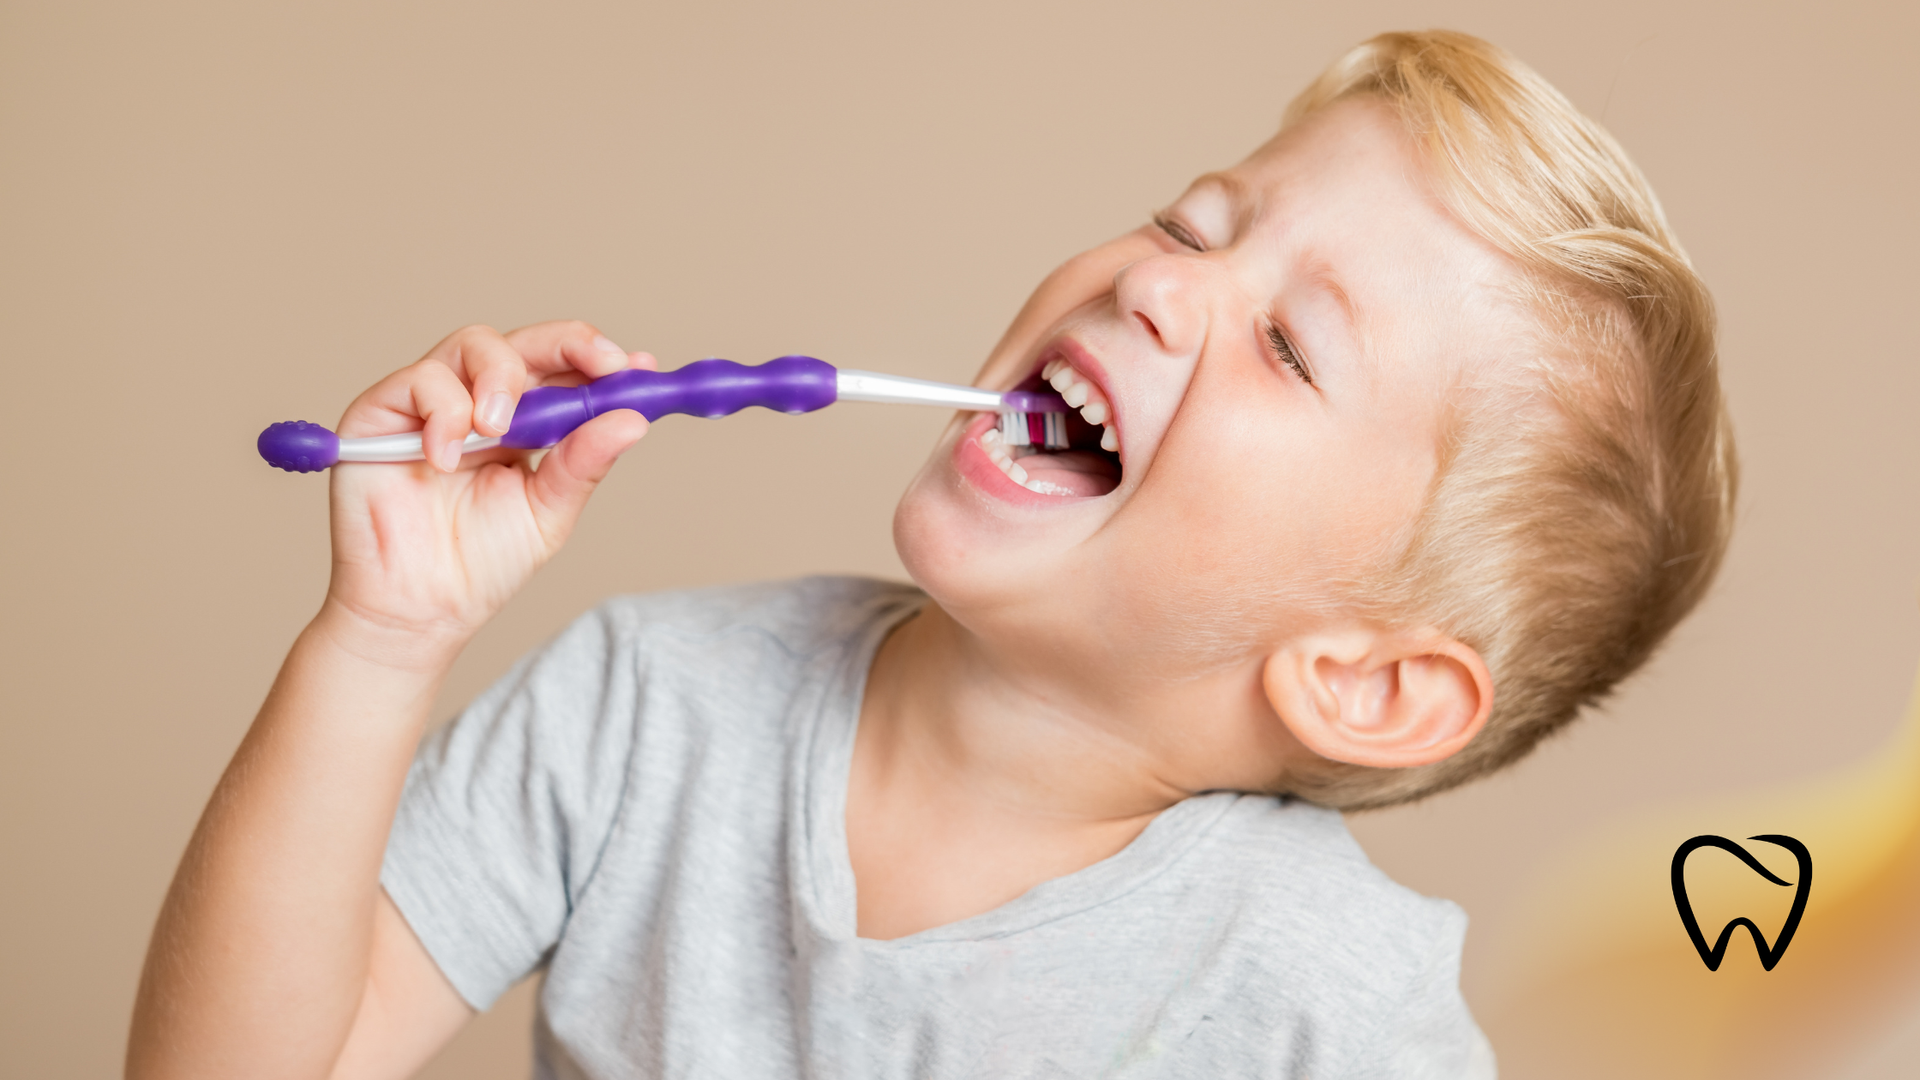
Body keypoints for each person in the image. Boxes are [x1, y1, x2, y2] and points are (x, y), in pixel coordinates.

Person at [128, 29, 1734, 1079]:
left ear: (1368, 682)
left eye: (1295, 348)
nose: (1162, 290)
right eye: (1193, 226)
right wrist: (384, 635)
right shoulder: (648, 709)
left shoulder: (1327, 1007)